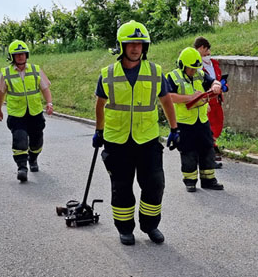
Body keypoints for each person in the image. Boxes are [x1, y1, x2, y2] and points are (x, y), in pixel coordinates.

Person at [92, 21, 179, 246]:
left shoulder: (155, 72)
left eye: (140, 44)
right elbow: (100, 104)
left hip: (147, 139)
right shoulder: (108, 74)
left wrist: (174, 128)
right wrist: (99, 131)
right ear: (122, 46)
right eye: (130, 43)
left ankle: (150, 225)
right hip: (116, 140)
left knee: (155, 183)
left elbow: (166, 101)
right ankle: (125, 229)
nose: (135, 48)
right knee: (121, 186)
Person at [167, 47, 224, 192]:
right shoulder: (172, 77)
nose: (193, 71)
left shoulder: (199, 74)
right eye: (190, 68)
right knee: (188, 152)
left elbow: (213, 81)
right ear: (182, 65)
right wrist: (190, 98)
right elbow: (168, 97)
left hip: (202, 120)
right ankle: (190, 181)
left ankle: (209, 180)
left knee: (207, 149)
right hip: (185, 122)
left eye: (195, 68)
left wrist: (216, 85)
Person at [0, 40, 53, 182]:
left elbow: (45, 88)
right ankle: (22, 168)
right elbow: (1, 93)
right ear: (12, 57)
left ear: (26, 55)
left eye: (22, 54)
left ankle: (33, 159)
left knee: (37, 141)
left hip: (35, 113)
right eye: (17, 54)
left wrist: (49, 103)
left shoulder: (35, 70)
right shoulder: (6, 73)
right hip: (17, 114)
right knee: (20, 140)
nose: (20, 57)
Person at [194, 36, 225, 168]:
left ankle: (211, 150)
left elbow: (217, 78)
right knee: (207, 128)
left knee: (218, 123)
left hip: (216, 98)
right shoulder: (195, 65)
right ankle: (209, 155)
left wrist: (223, 85)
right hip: (205, 100)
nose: (208, 53)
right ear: (201, 48)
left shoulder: (214, 64)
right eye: (206, 50)